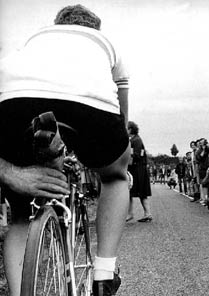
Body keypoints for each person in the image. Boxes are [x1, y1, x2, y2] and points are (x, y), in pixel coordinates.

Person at [0, 5, 129, 295]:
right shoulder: (105, 44)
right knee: (116, 176)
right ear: (95, 28)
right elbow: (121, 109)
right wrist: (116, 151)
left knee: (20, 215)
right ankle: (104, 274)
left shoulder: (32, 41)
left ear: (56, 24)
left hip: (16, 99)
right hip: (89, 105)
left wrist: (10, 174)